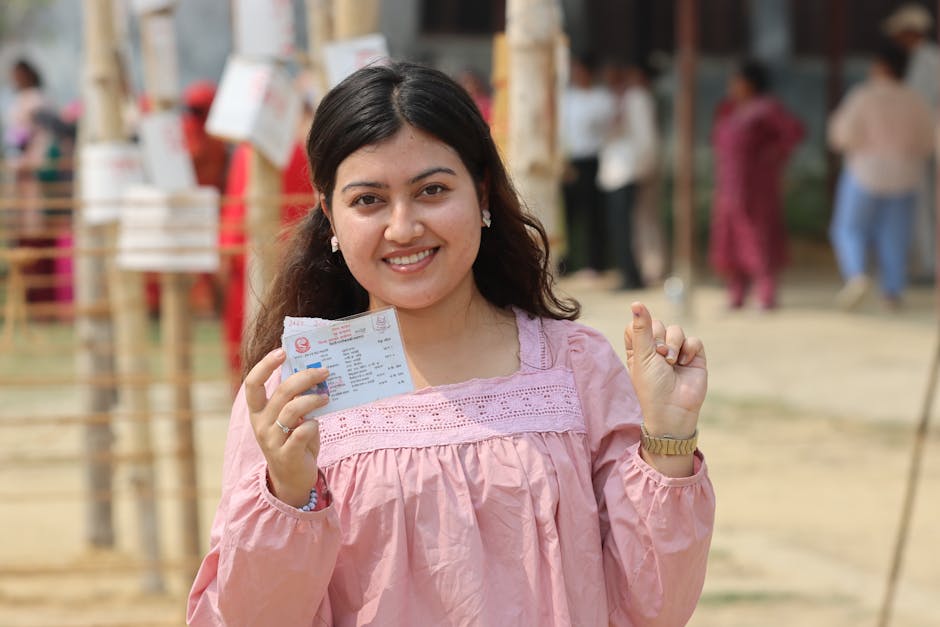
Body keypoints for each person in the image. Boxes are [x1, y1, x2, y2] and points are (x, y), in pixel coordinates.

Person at [188, 62, 714, 626]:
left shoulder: (574, 367)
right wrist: (289, 496)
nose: (403, 227)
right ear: (329, 215)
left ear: (481, 191)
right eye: (368, 200)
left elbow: (651, 608)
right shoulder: (291, 397)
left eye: (432, 191)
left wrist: (669, 441)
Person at [828, 41, 936, 310]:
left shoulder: (863, 96)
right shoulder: (916, 101)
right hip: (906, 176)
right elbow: (929, 140)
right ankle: (892, 291)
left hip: (865, 173)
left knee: (849, 229)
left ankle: (856, 275)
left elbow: (843, 135)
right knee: (895, 236)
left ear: (880, 66)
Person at [709, 60, 804, 310]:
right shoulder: (729, 110)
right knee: (729, 239)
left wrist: (772, 159)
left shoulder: (766, 109)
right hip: (728, 186)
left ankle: (765, 292)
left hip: (756, 188)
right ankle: (736, 292)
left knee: (757, 238)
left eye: (737, 81)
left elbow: (793, 132)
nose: (732, 87)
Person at [884, 3, 940, 283]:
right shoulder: (921, 60)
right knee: (923, 203)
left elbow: (919, 103)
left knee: (924, 204)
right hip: (922, 138)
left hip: (926, 138)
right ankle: (924, 262)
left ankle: (928, 264)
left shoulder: (927, 61)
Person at [597, 60, 661, 290]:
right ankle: (629, 272)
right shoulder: (614, 99)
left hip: (630, 171)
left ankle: (635, 274)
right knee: (622, 227)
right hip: (616, 172)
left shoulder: (636, 98)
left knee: (631, 226)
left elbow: (646, 139)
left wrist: (644, 169)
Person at [561, 55, 614, 278]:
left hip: (593, 159)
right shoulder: (567, 98)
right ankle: (564, 262)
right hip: (570, 160)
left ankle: (595, 263)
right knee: (567, 214)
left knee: (593, 214)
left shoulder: (602, 98)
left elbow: (607, 131)